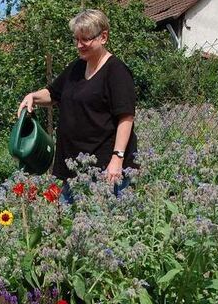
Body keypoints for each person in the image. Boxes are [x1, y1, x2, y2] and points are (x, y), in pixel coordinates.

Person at [17, 9, 137, 200]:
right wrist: (33, 97)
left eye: (85, 40)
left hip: (104, 171)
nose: (79, 45)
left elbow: (126, 116)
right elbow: (53, 93)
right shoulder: (77, 67)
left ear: (103, 37)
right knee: (70, 227)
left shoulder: (116, 71)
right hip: (72, 169)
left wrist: (117, 158)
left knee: (100, 226)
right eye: (76, 39)